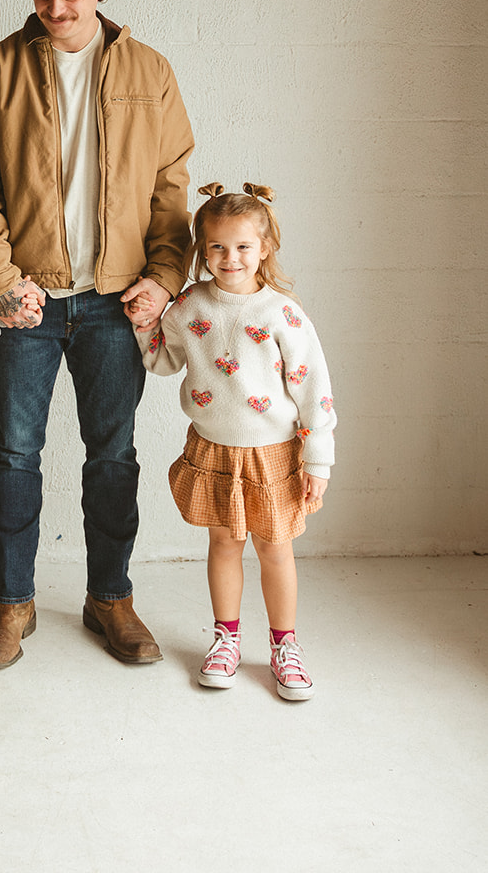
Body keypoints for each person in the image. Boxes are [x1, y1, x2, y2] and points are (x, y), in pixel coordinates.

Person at [0, 0, 194, 672]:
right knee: (13, 452)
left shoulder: (149, 71)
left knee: (112, 456)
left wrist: (162, 278)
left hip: (116, 302)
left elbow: (169, 184)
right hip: (26, 302)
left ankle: (109, 598)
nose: (55, 9)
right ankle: (11, 604)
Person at [132, 183, 336, 701]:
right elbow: (163, 361)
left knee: (274, 547)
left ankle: (284, 647)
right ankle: (225, 639)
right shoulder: (190, 306)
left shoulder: (282, 313)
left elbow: (313, 389)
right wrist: (142, 325)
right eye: (218, 247)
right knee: (224, 542)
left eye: (243, 246)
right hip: (214, 449)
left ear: (264, 248)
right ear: (203, 248)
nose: (230, 257)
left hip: (274, 454)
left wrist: (319, 459)